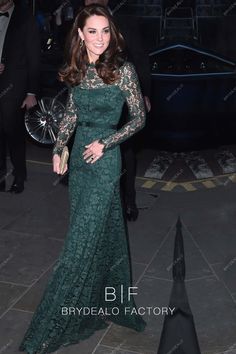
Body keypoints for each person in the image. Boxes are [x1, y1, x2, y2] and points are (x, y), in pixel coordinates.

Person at [19, 5, 146, 353]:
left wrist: (105, 142)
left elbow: (138, 119)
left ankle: (50, 325)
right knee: (97, 232)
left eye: (106, 31)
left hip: (105, 159)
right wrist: (60, 146)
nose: (100, 38)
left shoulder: (123, 71)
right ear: (80, 34)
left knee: (78, 243)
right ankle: (100, 301)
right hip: (79, 163)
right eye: (93, 31)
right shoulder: (76, 70)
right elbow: (72, 113)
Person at [84, 0, 151, 221]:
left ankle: (128, 201)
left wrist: (144, 94)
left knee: (124, 151)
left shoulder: (126, 21)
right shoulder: (79, 21)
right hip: (90, 99)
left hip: (120, 98)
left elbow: (140, 58)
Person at [0, 0, 40, 193]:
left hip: (14, 86)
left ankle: (19, 176)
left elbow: (34, 57)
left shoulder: (25, 17)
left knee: (12, 131)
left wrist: (31, 92)